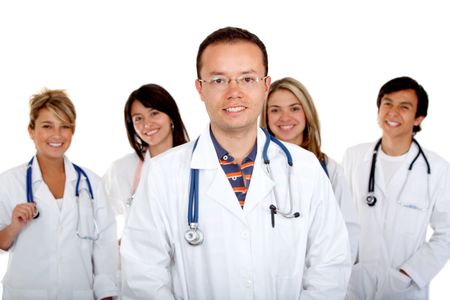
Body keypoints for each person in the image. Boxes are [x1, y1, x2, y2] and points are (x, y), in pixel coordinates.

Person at [121, 26, 351, 299]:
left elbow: (330, 266)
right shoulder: (162, 174)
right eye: (219, 80)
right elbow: (143, 275)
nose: (234, 92)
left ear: (265, 86)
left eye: (247, 79)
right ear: (200, 88)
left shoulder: (305, 168)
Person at [0, 89, 119, 299]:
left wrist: (106, 295)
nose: (57, 135)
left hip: (78, 293)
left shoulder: (92, 184)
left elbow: (105, 247)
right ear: (31, 130)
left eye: (65, 127)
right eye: (47, 126)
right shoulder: (9, 182)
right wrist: (14, 226)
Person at [342, 76, 450, 299]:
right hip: (356, 284)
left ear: (419, 118)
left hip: (405, 288)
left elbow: (447, 233)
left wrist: (409, 273)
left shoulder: (437, 169)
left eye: (404, 107)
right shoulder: (354, 157)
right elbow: (339, 219)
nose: (392, 112)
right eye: (387, 103)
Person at [260, 76, 360, 262]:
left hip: (319, 278)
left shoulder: (330, 169)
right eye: (275, 110)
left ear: (307, 113)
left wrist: (329, 282)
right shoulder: (255, 165)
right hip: (267, 279)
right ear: (266, 117)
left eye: (294, 108)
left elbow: (348, 233)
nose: (285, 118)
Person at [103, 83, 189, 237]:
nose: (147, 124)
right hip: (140, 259)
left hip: (187, 259)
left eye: (154, 113)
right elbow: (99, 216)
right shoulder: (122, 168)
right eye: (138, 118)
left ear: (171, 116)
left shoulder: (196, 162)